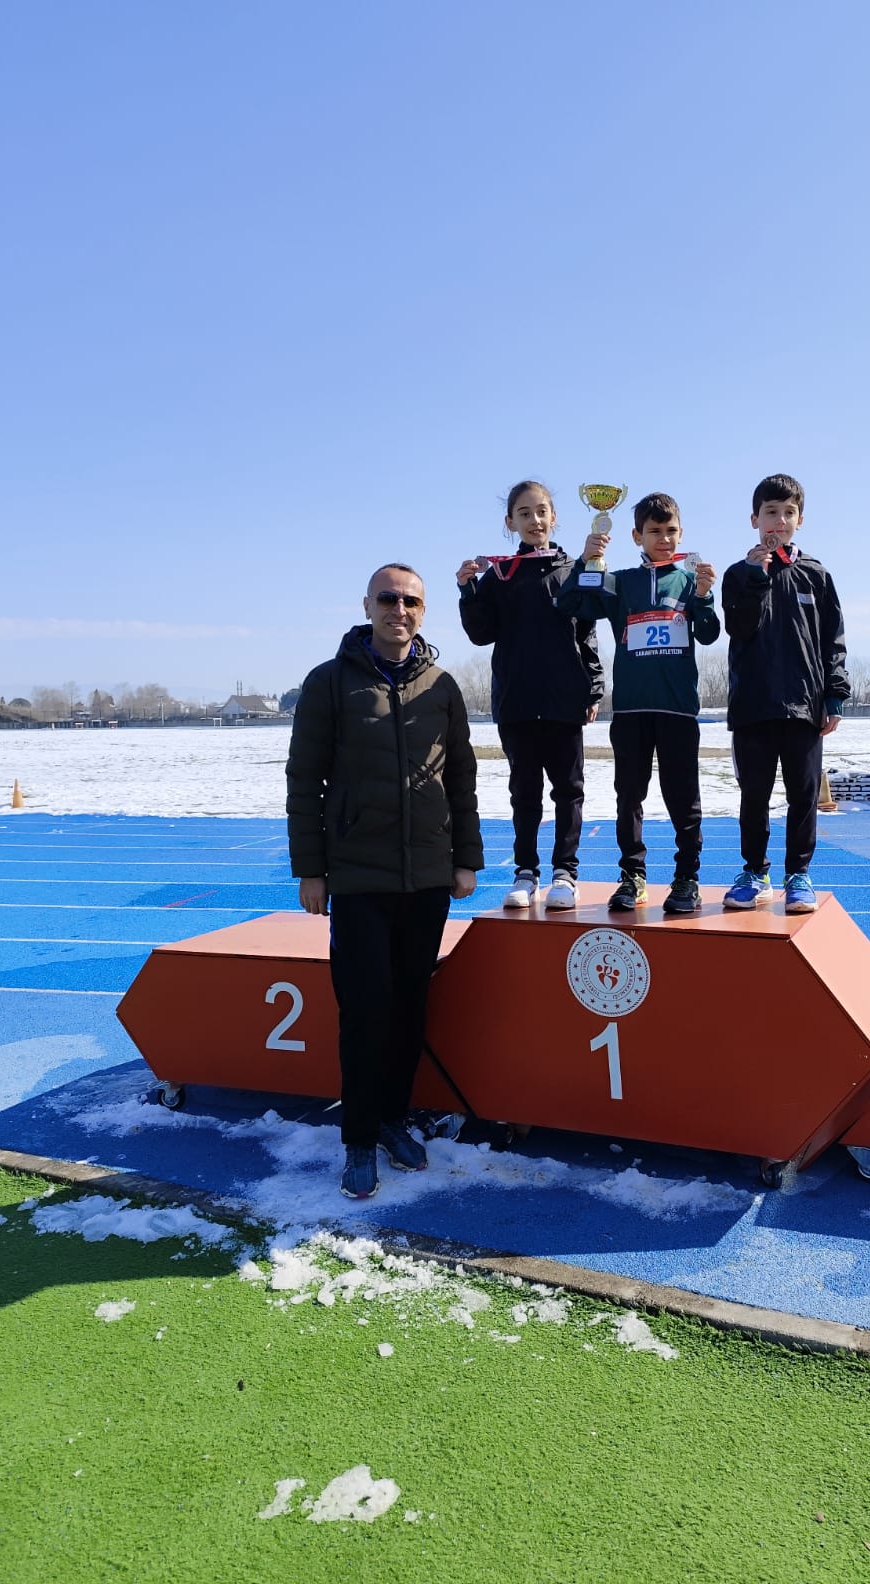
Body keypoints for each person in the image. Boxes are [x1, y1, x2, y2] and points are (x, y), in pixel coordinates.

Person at [286, 563, 484, 1201]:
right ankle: (359, 1139)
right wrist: (311, 870)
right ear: (368, 605)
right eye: (389, 599)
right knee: (366, 1011)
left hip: (426, 876)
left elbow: (462, 781)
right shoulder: (329, 682)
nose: (401, 609)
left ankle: (395, 1119)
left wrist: (465, 860)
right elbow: (304, 783)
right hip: (358, 878)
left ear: (424, 611)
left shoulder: (443, 686)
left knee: (409, 1009)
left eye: (412, 601)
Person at [557, 491, 720, 914]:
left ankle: (687, 878)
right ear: (636, 536)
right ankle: (633, 875)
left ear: (680, 532)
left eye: (670, 531)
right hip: (629, 711)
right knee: (629, 796)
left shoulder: (688, 580)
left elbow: (708, 633)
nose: (663, 539)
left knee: (683, 797)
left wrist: (703, 595)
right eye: (654, 532)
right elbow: (570, 603)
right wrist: (585, 560)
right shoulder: (621, 581)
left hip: (678, 710)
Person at [456, 480, 603, 912]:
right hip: (517, 701)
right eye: (524, 514)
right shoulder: (501, 575)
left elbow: (587, 632)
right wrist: (468, 590)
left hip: (564, 700)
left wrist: (592, 686)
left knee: (568, 789)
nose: (534, 521)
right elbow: (481, 634)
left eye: (541, 511)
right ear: (510, 523)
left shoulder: (574, 569)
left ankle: (565, 872)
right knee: (524, 791)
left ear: (554, 516)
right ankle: (526, 871)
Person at [720, 474, 849, 916]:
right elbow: (738, 628)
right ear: (755, 519)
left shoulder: (816, 575)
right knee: (753, 796)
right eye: (770, 512)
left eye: (788, 513)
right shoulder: (738, 575)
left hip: (804, 707)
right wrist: (757, 576)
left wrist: (834, 694)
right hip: (753, 706)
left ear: (800, 519)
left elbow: (833, 640)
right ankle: (755, 872)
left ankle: (799, 874)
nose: (779, 520)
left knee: (804, 794)